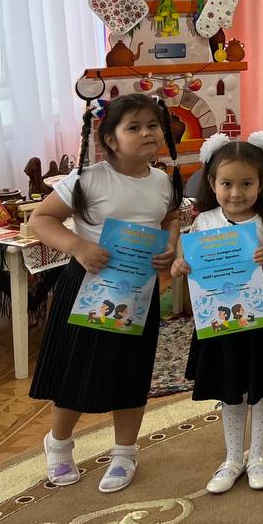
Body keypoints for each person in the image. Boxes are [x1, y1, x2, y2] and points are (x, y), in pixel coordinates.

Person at [28, 94, 183, 492]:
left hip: (138, 293)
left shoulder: (163, 180)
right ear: (111, 140)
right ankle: (59, 445)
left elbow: (170, 217)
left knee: (131, 371)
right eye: (134, 127)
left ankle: (125, 452)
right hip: (88, 289)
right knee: (75, 369)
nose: (147, 133)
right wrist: (78, 246)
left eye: (152, 125)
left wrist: (170, 244)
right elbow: (41, 219)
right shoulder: (87, 179)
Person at [172, 132, 263, 494]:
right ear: (212, 183)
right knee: (230, 387)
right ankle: (232, 458)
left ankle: (259, 455)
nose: (236, 193)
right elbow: (190, 264)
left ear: (261, 183)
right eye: (226, 184)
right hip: (220, 318)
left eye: (246, 183)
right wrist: (181, 266)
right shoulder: (204, 222)